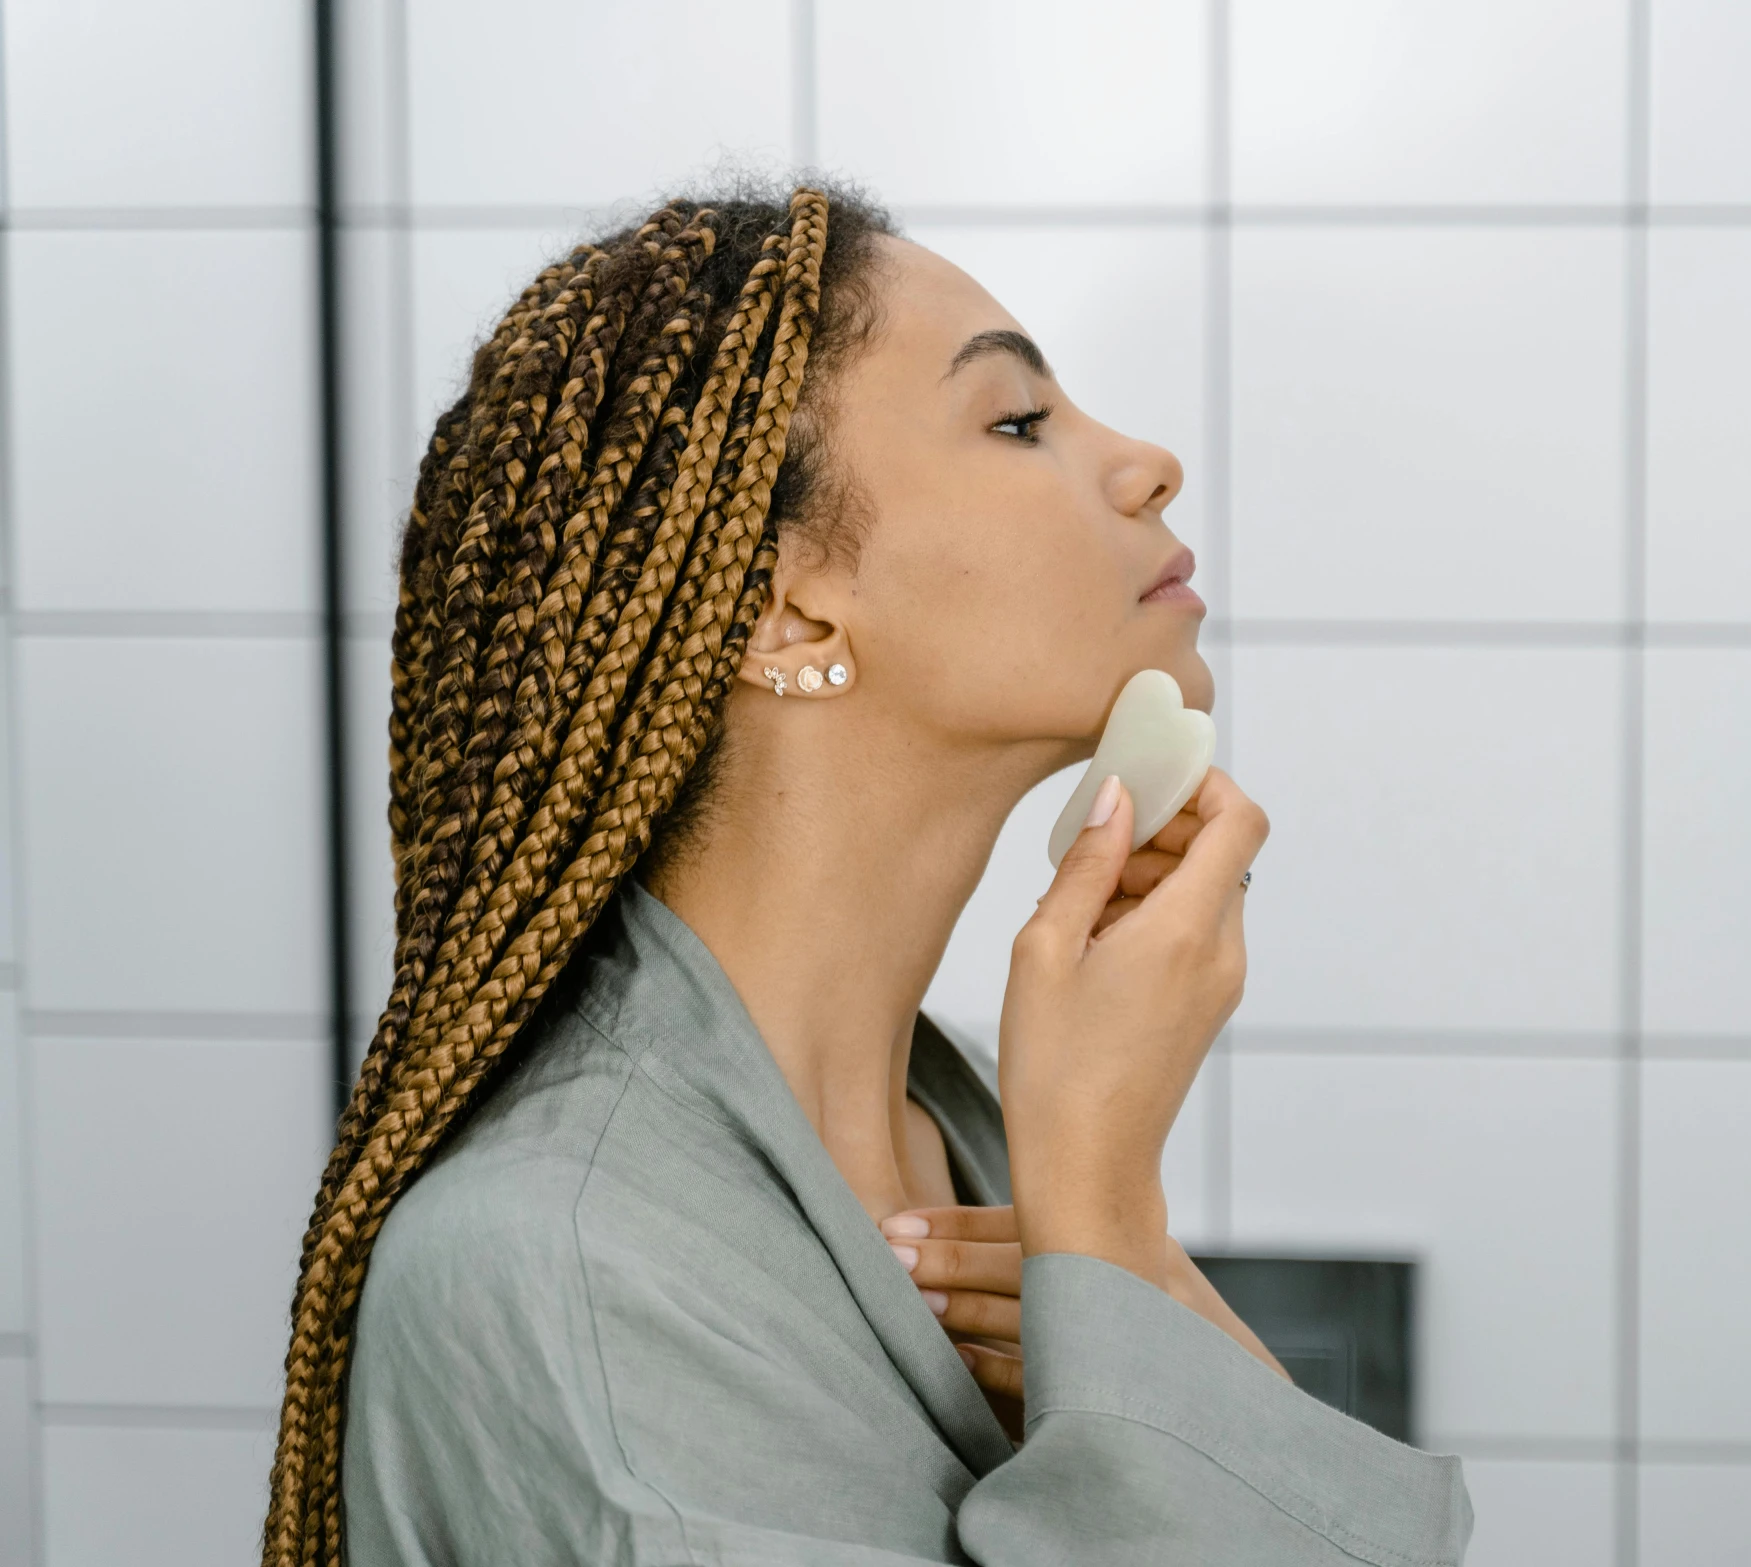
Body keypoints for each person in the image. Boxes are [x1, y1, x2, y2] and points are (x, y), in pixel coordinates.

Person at [264, 180, 1473, 1566]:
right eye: (1018, 422)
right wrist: (1103, 1206)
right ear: (783, 606)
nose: (1145, 463)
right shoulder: (565, 1269)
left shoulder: (952, 1141)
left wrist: (1138, 1292)